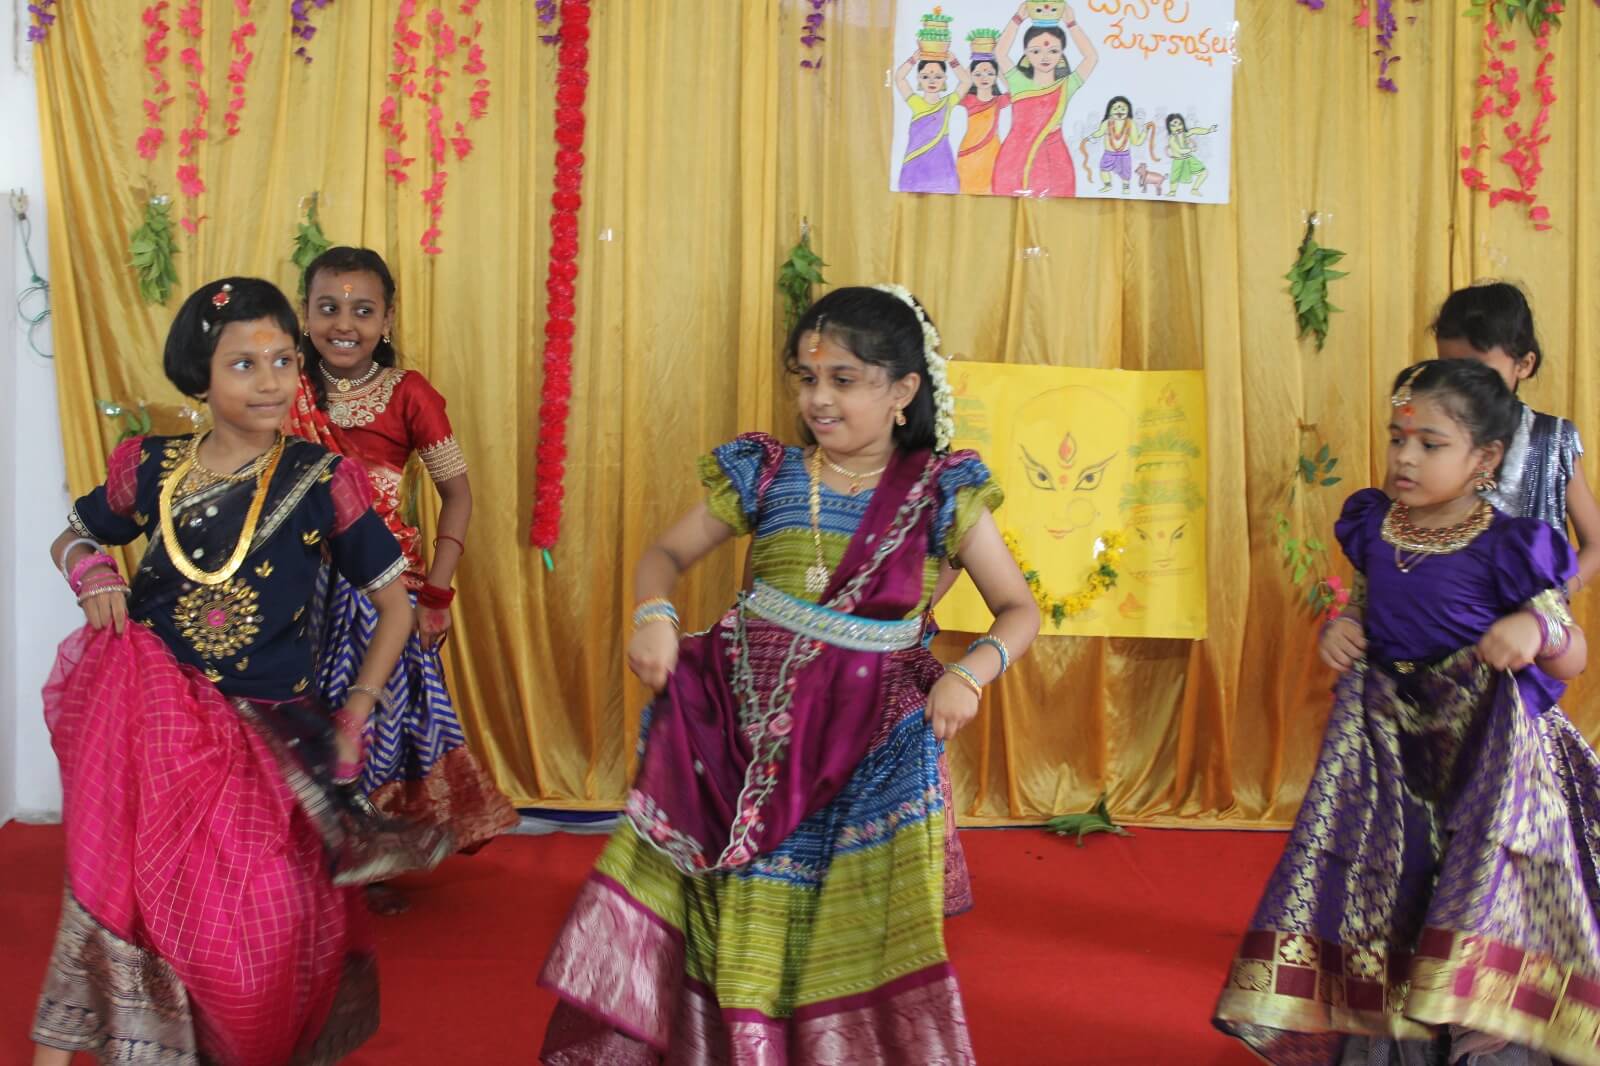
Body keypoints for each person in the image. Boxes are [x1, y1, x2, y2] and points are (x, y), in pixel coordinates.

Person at [537, 285, 1040, 1063]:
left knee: (848, 924)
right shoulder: (766, 474)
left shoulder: (944, 492)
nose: (818, 399)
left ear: (903, 390)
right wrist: (655, 616)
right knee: (743, 913)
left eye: (844, 379)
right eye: (807, 379)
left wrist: (969, 675)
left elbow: (1018, 610)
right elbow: (662, 556)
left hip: (871, 740)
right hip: (741, 726)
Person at [32, 277, 446, 1065]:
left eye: (283, 361)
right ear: (201, 377)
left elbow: (395, 607)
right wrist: (90, 568)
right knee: (123, 893)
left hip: (271, 737)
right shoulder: (148, 467)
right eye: (244, 364)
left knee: (260, 932)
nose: (270, 382)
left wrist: (356, 712)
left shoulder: (323, 480)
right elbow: (72, 535)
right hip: (154, 718)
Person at [1215, 359, 1600, 1066]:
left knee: (1477, 893)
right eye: (1398, 439)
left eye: (1430, 444)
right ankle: (1398, 1038)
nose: (1406, 458)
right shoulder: (1376, 528)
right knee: (1396, 892)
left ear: (1485, 458)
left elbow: (1570, 654)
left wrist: (1536, 631)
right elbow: (1366, 607)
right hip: (1393, 754)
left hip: (1488, 760)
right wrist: (1342, 627)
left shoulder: (1509, 545)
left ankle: (1483, 1040)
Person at [286, 247, 517, 915]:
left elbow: (459, 495)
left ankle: (364, 861)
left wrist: (436, 594)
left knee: (376, 724)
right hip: (296, 588)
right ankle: (302, 861)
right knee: (296, 719)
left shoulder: (410, 393)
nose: (344, 324)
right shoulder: (284, 387)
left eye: (363, 310)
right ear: (304, 314)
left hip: (381, 590)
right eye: (328, 308)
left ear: (387, 320)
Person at [1432, 281, 1600, 593]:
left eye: (1478, 370)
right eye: (1448, 369)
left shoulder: (1551, 439)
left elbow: (1596, 543)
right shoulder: (1427, 439)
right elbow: (1389, 527)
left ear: (1523, 365)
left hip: (1530, 621)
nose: (1461, 384)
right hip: (1446, 614)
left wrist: (1553, 600)